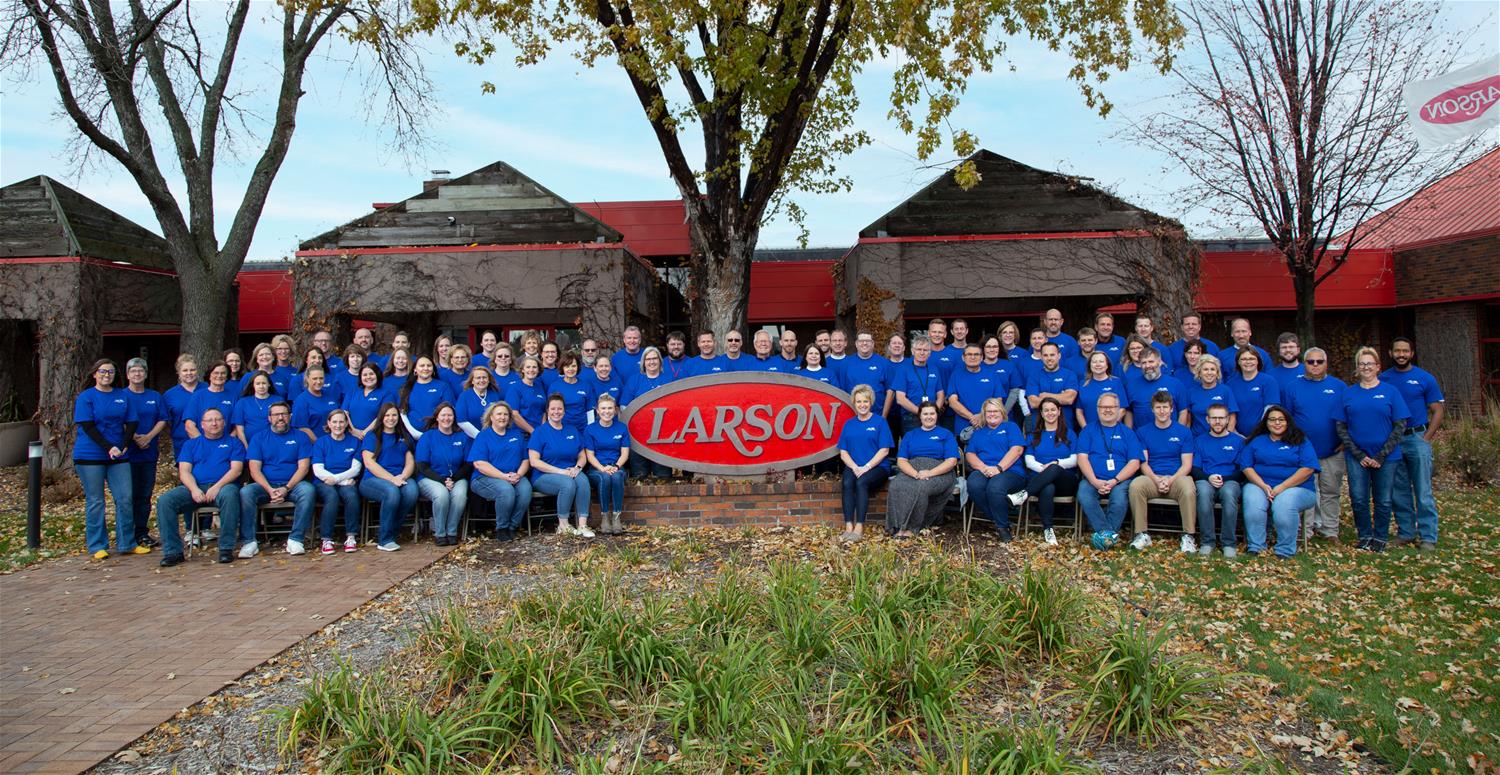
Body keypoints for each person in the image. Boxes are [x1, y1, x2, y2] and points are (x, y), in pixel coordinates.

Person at [1337, 347, 1410, 552]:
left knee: (1384, 499)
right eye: (1362, 364)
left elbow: (1400, 425)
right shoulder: (1349, 393)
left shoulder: (1390, 392)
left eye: (1370, 364)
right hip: (1356, 456)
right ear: (1357, 368)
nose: (1366, 367)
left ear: (1378, 367)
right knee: (1359, 498)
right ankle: (1365, 536)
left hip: (1386, 457)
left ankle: (1380, 537)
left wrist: (1380, 455)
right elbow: (1341, 427)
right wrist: (1359, 454)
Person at [154, 407, 244, 566]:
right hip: (194, 487)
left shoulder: (234, 443)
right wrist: (194, 489)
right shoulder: (191, 445)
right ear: (202, 425)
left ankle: (226, 548)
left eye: (218, 419)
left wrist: (217, 486)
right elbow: (184, 472)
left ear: (224, 423)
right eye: (210, 420)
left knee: (230, 495)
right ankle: (173, 552)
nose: (214, 423)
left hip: (224, 486)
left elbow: (236, 470)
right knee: (165, 501)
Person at [75, 358, 144, 559]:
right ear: (95, 374)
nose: (107, 375)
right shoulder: (86, 397)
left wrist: (122, 445)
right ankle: (97, 545)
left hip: (119, 455)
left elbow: (132, 423)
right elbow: (88, 426)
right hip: (91, 455)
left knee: (124, 498)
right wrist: (109, 447)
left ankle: (127, 543)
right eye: (103, 372)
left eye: (111, 372)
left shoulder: (122, 396)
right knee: (96, 501)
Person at [1381, 337, 1444, 550]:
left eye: (1405, 351)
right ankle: (1406, 533)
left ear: (1411, 353)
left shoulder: (1424, 378)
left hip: (1416, 437)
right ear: (1390, 353)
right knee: (1399, 490)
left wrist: (1425, 439)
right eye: (1397, 351)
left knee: (1423, 490)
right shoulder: (1384, 379)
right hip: (1394, 441)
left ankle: (1428, 536)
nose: (1401, 354)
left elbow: (1437, 410)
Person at [1282, 347, 1346, 543]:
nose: (1315, 365)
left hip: (1332, 450)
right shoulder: (1292, 387)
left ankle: (1330, 530)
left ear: (1326, 363)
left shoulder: (1339, 386)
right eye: (1311, 362)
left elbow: (1348, 416)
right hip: (1302, 452)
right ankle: (1306, 531)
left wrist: (1345, 440)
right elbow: (1286, 419)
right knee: (1306, 492)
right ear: (1304, 363)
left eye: (1320, 361)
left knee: (1330, 492)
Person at [1239, 405, 1319, 557]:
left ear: (1288, 421)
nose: (1277, 423)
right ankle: (1256, 546)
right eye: (1272, 420)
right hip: (1261, 485)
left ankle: (1285, 549)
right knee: (1252, 499)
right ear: (1266, 423)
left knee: (1284, 503)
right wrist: (1263, 486)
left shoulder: (1300, 440)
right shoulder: (1257, 441)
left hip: (1297, 488)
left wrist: (1282, 487)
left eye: (1281, 420)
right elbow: (1246, 466)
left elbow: (1308, 468)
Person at [239, 401, 315, 557]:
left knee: (308, 491)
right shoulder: (258, 438)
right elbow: (254, 469)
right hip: (266, 485)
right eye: (276, 415)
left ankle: (296, 539)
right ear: (269, 418)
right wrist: (270, 489)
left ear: (290, 416)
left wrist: (286, 488)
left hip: (292, 484)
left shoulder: (301, 437)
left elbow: (303, 467)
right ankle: (249, 542)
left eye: (284, 414)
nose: (280, 418)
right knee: (246, 492)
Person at [1126, 391, 1198, 552]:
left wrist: (1170, 480)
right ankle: (1142, 534)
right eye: (1158, 408)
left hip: (1177, 477)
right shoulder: (1143, 432)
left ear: (1172, 409)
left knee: (1188, 488)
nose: (1162, 411)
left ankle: (1188, 536)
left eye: (1165, 407)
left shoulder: (1183, 432)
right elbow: (1143, 463)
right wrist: (1157, 480)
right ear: (1152, 409)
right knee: (1136, 486)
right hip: (1152, 477)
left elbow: (1186, 465)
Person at [1076, 393, 1143, 549]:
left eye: (1111, 407)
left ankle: (1104, 538)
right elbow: (1082, 458)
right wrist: (1094, 481)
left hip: (1120, 480)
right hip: (1093, 478)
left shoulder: (1128, 433)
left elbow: (1134, 462)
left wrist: (1115, 481)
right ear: (1097, 409)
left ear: (1119, 409)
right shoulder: (1088, 431)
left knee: (1119, 500)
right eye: (1103, 407)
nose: (1107, 410)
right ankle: (1107, 534)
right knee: (1084, 494)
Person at [885, 402, 959, 539]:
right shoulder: (910, 435)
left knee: (921, 487)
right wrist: (915, 474)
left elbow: (951, 461)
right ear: (920, 416)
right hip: (913, 470)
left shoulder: (945, 434)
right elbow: (901, 460)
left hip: (940, 472)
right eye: (925, 414)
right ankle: (897, 525)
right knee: (896, 485)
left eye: (932, 413)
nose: (929, 416)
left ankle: (912, 528)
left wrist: (929, 473)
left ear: (937, 415)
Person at [529, 395, 594, 537]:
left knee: (583, 481)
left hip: (570, 471)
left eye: (560, 409)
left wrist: (577, 468)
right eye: (553, 409)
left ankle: (583, 525)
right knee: (567, 484)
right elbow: (534, 461)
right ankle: (563, 525)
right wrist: (560, 471)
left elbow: (582, 455)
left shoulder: (572, 430)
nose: (556, 412)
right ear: (547, 411)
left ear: (564, 411)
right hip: (544, 475)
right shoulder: (539, 432)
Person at [964, 397, 1027, 542]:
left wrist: (998, 468)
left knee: (995, 487)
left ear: (1002, 412)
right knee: (973, 483)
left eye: (995, 411)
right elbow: (970, 454)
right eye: (988, 412)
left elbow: (1017, 449)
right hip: (985, 469)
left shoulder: (1010, 427)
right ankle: (999, 516)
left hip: (1010, 471)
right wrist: (984, 468)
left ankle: (1002, 527)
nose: (992, 414)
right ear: (984, 414)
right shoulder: (979, 432)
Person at [469, 402, 533, 541]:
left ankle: (513, 526)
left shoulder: (516, 434)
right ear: (491, 417)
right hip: (484, 478)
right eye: (499, 414)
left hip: (514, 476)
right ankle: (502, 528)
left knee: (526, 489)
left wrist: (519, 475)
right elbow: (479, 464)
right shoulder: (483, 436)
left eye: (505, 414)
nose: (502, 417)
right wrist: (503, 477)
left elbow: (525, 459)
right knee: (506, 490)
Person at [359, 403, 419, 552]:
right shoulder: (372, 436)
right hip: (372, 480)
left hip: (400, 476)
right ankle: (385, 540)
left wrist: (403, 476)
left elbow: (410, 461)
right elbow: (369, 463)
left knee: (412, 491)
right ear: (381, 417)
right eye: (387, 415)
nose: (391, 418)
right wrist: (392, 479)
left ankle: (392, 531)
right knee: (392, 492)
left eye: (394, 415)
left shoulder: (404, 436)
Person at [838, 385, 893, 542]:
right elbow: (843, 452)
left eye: (865, 401)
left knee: (861, 483)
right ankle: (848, 526)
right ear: (854, 403)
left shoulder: (880, 422)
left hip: (877, 467)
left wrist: (866, 467)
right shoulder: (849, 424)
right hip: (854, 465)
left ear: (871, 402)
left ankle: (859, 527)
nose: (862, 405)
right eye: (859, 401)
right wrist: (855, 467)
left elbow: (884, 450)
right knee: (848, 482)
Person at [1024, 397, 1080, 546]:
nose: (1050, 413)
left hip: (1066, 481)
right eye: (1046, 410)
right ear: (1041, 413)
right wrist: (1043, 469)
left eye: (1053, 410)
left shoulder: (1069, 433)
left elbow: (1075, 460)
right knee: (1047, 487)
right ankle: (1048, 529)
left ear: (1059, 411)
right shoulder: (1033, 435)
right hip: (1041, 480)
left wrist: (1055, 464)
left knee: (1055, 467)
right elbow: (1028, 461)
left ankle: (1024, 494)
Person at [123, 357, 166, 549]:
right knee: (128, 495)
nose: (137, 374)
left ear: (146, 374)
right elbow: (119, 419)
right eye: (133, 371)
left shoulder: (155, 396)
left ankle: (141, 532)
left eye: (140, 371)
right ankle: (127, 534)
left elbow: (162, 419)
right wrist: (134, 437)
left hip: (148, 453)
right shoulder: (122, 396)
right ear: (127, 375)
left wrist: (148, 437)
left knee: (144, 495)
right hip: (127, 454)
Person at [416, 402, 472, 546]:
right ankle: (440, 533)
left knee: (459, 495)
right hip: (431, 478)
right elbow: (422, 465)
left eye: (450, 415)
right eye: (443, 415)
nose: (447, 418)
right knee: (441, 495)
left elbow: (468, 463)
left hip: (456, 477)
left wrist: (453, 479)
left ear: (454, 417)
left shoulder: (462, 437)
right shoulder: (427, 437)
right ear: (437, 418)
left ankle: (451, 531)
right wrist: (442, 480)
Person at [1193, 404, 1245, 558]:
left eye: (1221, 418)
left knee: (1229, 493)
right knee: (1202, 492)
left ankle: (1229, 543)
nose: (1217, 422)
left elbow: (1243, 471)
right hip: (1205, 479)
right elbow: (1194, 469)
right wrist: (1208, 477)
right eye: (1214, 418)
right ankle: (1207, 542)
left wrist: (1225, 479)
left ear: (1228, 419)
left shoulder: (1238, 441)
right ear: (1207, 420)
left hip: (1230, 480)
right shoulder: (1199, 441)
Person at [311, 408, 362, 555]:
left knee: (351, 495)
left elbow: (356, 469)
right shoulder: (321, 442)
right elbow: (318, 469)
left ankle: (351, 537)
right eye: (334, 422)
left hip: (345, 480)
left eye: (341, 422)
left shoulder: (354, 442)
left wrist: (337, 479)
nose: (338, 425)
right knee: (331, 497)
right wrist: (337, 481)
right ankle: (326, 539)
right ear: (328, 423)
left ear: (347, 423)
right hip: (324, 481)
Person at [584, 394, 631, 535]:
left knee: (616, 477)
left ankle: (616, 518)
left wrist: (616, 466)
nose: (607, 411)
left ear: (615, 410)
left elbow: (624, 454)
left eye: (610, 408)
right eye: (603, 408)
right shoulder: (590, 429)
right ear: (597, 411)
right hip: (596, 468)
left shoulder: (621, 428)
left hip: (617, 466)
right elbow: (589, 455)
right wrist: (602, 468)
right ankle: (605, 517)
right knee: (604, 478)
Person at [1123, 348, 1187, 428]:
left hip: (1170, 437)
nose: (1147, 366)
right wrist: (1130, 435)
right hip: (1140, 438)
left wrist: (1178, 434)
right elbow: (1129, 412)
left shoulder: (1175, 384)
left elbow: (1183, 411)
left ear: (1160, 362)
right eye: (1144, 363)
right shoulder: (1131, 385)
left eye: (1151, 361)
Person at [948, 343, 1005, 433]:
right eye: (969, 354)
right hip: (963, 429)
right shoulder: (956, 375)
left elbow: (998, 401)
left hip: (989, 426)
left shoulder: (992, 375)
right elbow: (952, 402)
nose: (973, 357)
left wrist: (982, 416)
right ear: (963, 357)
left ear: (982, 357)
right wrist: (972, 417)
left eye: (976, 354)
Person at [893, 338, 946, 435]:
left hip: (932, 417)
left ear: (929, 353)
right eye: (919, 349)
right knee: (914, 448)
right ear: (913, 351)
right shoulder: (903, 369)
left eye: (925, 350)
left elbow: (941, 394)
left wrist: (933, 412)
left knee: (933, 446)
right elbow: (900, 398)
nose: (922, 352)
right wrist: (921, 412)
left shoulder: (934, 369)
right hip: (911, 417)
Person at [1026, 342, 1079, 430]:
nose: (1049, 358)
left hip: (1065, 428)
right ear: (1041, 357)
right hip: (1040, 430)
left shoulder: (1070, 375)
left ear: (1059, 355)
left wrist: (1045, 395)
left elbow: (1069, 399)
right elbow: (1033, 403)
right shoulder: (1034, 376)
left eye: (1052, 355)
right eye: (1045, 355)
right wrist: (1061, 396)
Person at [399, 355, 455, 437]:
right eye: (422, 366)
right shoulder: (406, 388)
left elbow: (449, 410)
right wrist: (413, 432)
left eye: (429, 365)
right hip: (410, 435)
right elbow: (402, 412)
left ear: (433, 369)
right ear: (415, 369)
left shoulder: (443, 386)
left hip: (437, 434)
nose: (426, 368)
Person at [1226, 345, 1279, 430]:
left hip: (1262, 434)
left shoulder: (1268, 381)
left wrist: (1259, 433)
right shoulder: (1230, 384)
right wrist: (1234, 434)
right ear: (1238, 362)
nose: (1248, 362)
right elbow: (1229, 412)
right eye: (1243, 359)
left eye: (1251, 359)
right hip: (1237, 436)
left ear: (1258, 361)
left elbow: (1271, 410)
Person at [843, 332, 895, 417]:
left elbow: (890, 392)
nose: (864, 343)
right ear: (856, 344)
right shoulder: (846, 363)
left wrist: (883, 417)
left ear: (873, 344)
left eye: (868, 340)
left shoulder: (884, 363)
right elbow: (842, 391)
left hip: (877, 415)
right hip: (853, 416)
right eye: (861, 341)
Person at [1186, 354, 1238, 436]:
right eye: (1205, 369)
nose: (1209, 373)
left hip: (1221, 438)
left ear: (1217, 373)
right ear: (1199, 373)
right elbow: (1188, 420)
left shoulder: (1225, 390)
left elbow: (1232, 418)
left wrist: (1227, 438)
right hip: (1197, 439)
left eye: (1213, 369)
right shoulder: (1191, 392)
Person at [1076, 351, 1128, 430]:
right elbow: (1079, 411)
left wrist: (1109, 426)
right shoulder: (1083, 384)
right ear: (1089, 365)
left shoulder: (1116, 382)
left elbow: (1122, 409)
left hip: (1112, 430)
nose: (1097, 364)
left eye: (1101, 361)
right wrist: (1087, 430)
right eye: (1094, 362)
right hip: (1090, 431)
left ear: (1107, 365)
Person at [163, 354, 200, 462]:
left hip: (209, 442)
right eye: (185, 370)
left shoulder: (207, 389)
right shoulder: (170, 395)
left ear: (197, 371)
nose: (189, 373)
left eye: (192, 370)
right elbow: (165, 422)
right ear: (178, 373)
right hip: (182, 443)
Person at [185, 362, 237, 440]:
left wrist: (228, 443)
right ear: (209, 376)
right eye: (216, 373)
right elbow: (189, 425)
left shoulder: (233, 396)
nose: (219, 376)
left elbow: (238, 426)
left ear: (227, 376)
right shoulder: (198, 396)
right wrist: (203, 444)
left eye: (223, 373)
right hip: (202, 445)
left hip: (226, 446)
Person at [292, 366, 340, 441]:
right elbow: (302, 428)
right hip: (315, 445)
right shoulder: (301, 400)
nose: (318, 381)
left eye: (321, 378)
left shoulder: (330, 395)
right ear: (307, 379)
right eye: (315, 378)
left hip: (335, 442)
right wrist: (319, 445)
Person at [232, 372, 279, 447]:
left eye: (264, 383)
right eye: (258, 383)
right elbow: (239, 429)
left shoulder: (278, 400)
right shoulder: (242, 402)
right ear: (253, 385)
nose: (261, 386)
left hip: (273, 444)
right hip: (249, 444)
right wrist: (246, 448)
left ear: (269, 384)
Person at [343, 363, 387, 440]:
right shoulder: (353, 391)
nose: (368, 377)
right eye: (365, 375)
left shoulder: (386, 393)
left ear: (377, 375)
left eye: (371, 374)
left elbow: (382, 415)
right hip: (351, 436)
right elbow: (345, 412)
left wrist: (364, 433)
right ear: (360, 377)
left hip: (373, 437)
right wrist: (353, 430)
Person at [505, 356, 548, 435]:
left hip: (539, 434)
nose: (531, 370)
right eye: (528, 367)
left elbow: (544, 412)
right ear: (522, 370)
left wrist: (542, 429)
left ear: (538, 370)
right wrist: (532, 431)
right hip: (522, 434)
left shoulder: (539, 387)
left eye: (534, 367)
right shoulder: (515, 388)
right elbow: (514, 414)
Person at [550, 352, 592, 431]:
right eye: (567, 366)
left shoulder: (586, 386)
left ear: (578, 367)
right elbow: (550, 410)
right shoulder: (555, 386)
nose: (570, 369)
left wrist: (590, 430)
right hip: (561, 429)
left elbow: (590, 411)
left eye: (573, 366)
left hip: (582, 429)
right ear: (562, 368)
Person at [456, 366, 497, 438]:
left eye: (484, 377)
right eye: (478, 378)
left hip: (493, 437)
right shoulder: (464, 396)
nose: (481, 380)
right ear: (472, 381)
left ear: (489, 380)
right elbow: (461, 421)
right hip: (471, 438)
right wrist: (480, 436)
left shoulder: (494, 395)